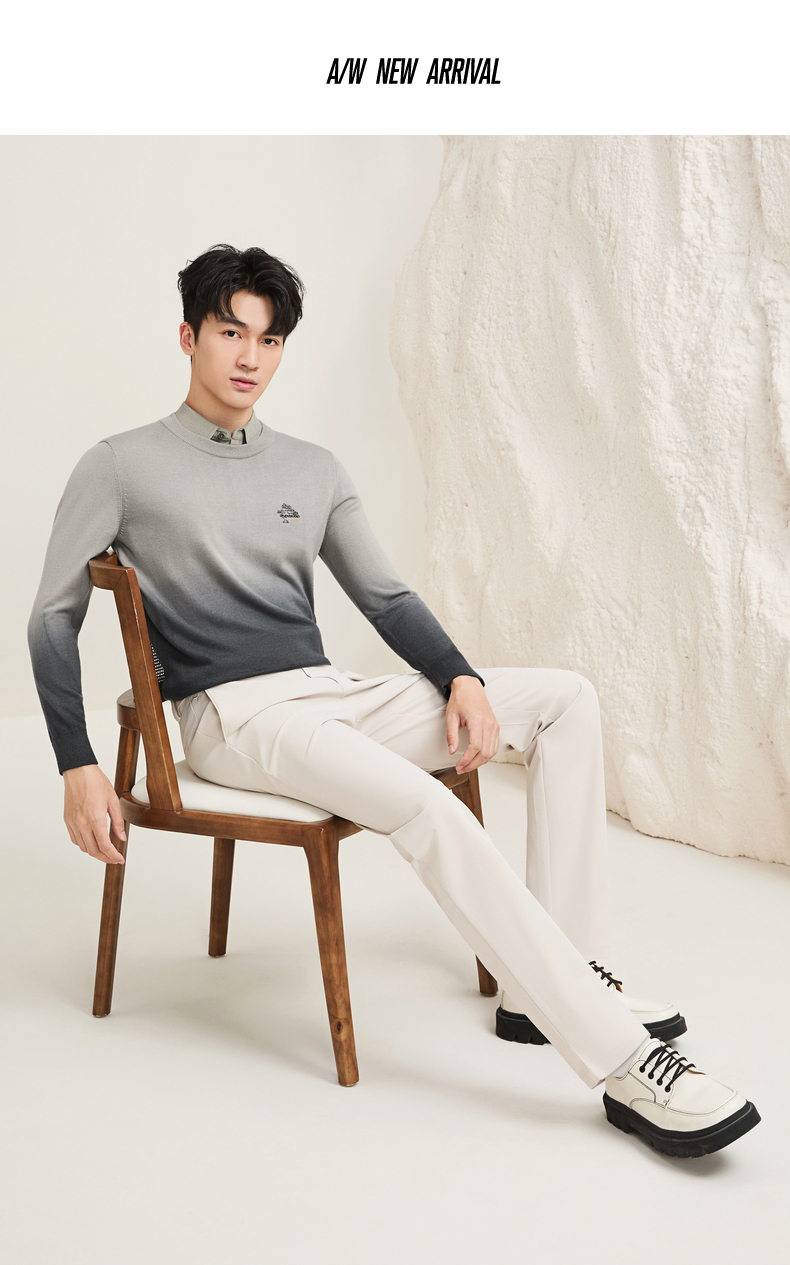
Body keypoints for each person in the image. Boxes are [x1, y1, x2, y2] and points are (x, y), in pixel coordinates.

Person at [28, 243, 759, 1158]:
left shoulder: (312, 467)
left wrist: (461, 676)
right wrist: (76, 762)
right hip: (234, 716)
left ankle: (553, 983)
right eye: (230, 332)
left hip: (330, 694)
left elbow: (385, 596)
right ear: (188, 337)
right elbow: (52, 618)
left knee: (564, 700)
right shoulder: (121, 464)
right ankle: (623, 1060)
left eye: (269, 339)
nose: (250, 357)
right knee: (426, 805)